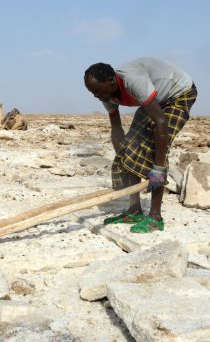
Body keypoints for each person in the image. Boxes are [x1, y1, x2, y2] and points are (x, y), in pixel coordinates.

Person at [84, 57, 197, 233]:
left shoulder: (132, 81)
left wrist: (158, 168)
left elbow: (160, 121)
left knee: (155, 148)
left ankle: (155, 217)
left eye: (97, 90)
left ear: (110, 80)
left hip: (178, 94)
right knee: (129, 149)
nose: (96, 96)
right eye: (92, 93)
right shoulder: (107, 95)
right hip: (155, 99)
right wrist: (124, 158)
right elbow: (116, 128)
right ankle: (135, 210)